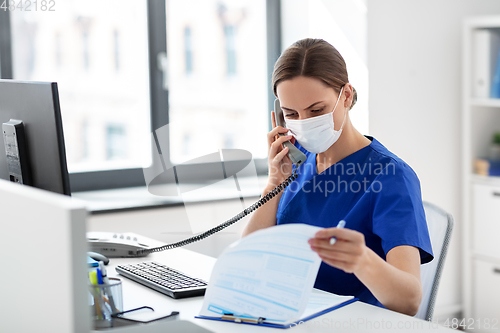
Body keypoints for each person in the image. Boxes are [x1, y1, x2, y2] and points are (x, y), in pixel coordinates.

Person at [242, 38, 433, 316]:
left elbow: (409, 300)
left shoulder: (391, 176)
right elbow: (247, 257)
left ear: (346, 96)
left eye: (317, 110)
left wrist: (362, 259)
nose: (305, 122)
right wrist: (274, 184)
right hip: (288, 314)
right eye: (291, 114)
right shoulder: (295, 161)